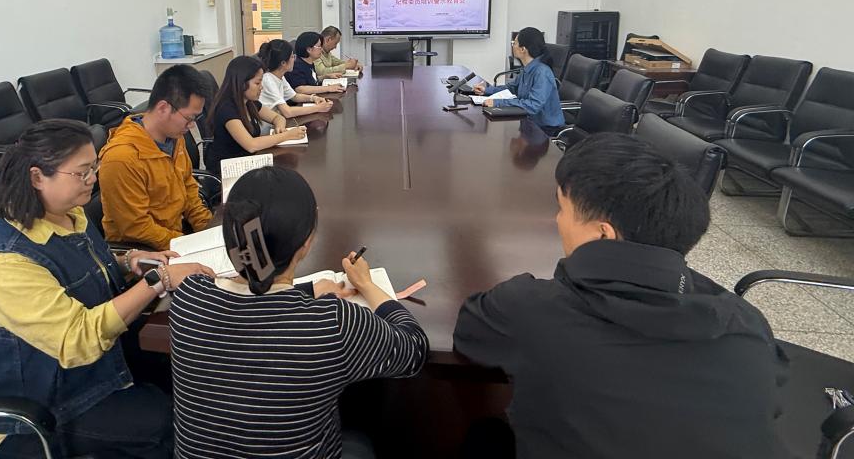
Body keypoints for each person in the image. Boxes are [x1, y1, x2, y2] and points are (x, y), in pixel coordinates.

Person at [453, 134, 787, 459]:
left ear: (603, 233)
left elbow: (470, 333)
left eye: (562, 209)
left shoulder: (530, 308)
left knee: (487, 435)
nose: (557, 220)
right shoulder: (745, 321)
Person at [0, 119, 214, 459]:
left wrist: (129, 261)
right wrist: (160, 280)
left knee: (197, 368)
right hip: (40, 410)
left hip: (94, 368)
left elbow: (81, 265)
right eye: (82, 173)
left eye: (93, 167)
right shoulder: (7, 266)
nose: (93, 178)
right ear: (37, 177)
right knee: (169, 424)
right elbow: (79, 340)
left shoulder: (67, 214)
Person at [169, 166, 428, 459]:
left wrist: (307, 291)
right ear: (306, 243)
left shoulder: (189, 297)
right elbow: (414, 350)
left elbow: (255, 306)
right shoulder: (333, 323)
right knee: (362, 435)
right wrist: (367, 285)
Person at [99, 64, 213, 249]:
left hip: (174, 235)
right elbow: (136, 228)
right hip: (144, 250)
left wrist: (208, 229)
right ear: (163, 108)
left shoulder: (174, 137)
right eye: (190, 118)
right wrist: (188, 245)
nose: (192, 126)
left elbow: (189, 188)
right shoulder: (122, 158)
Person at [205, 54, 308, 173]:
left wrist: (279, 128)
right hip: (229, 169)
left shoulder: (249, 102)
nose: (261, 87)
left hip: (249, 160)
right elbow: (251, 145)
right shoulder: (227, 108)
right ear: (242, 83)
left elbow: (277, 117)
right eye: (257, 83)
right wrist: (287, 135)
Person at [473, 27, 564, 131]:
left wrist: (497, 102)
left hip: (545, 128)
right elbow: (511, 88)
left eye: (514, 43)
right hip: (528, 121)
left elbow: (533, 106)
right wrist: (487, 90)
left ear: (523, 49)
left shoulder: (542, 72)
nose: (512, 45)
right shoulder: (528, 68)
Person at [258, 38, 335, 119]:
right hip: (269, 124)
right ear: (283, 63)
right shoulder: (268, 81)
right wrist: (318, 108)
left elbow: (294, 96)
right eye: (292, 57)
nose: (294, 60)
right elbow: (288, 112)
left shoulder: (279, 76)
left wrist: (313, 98)